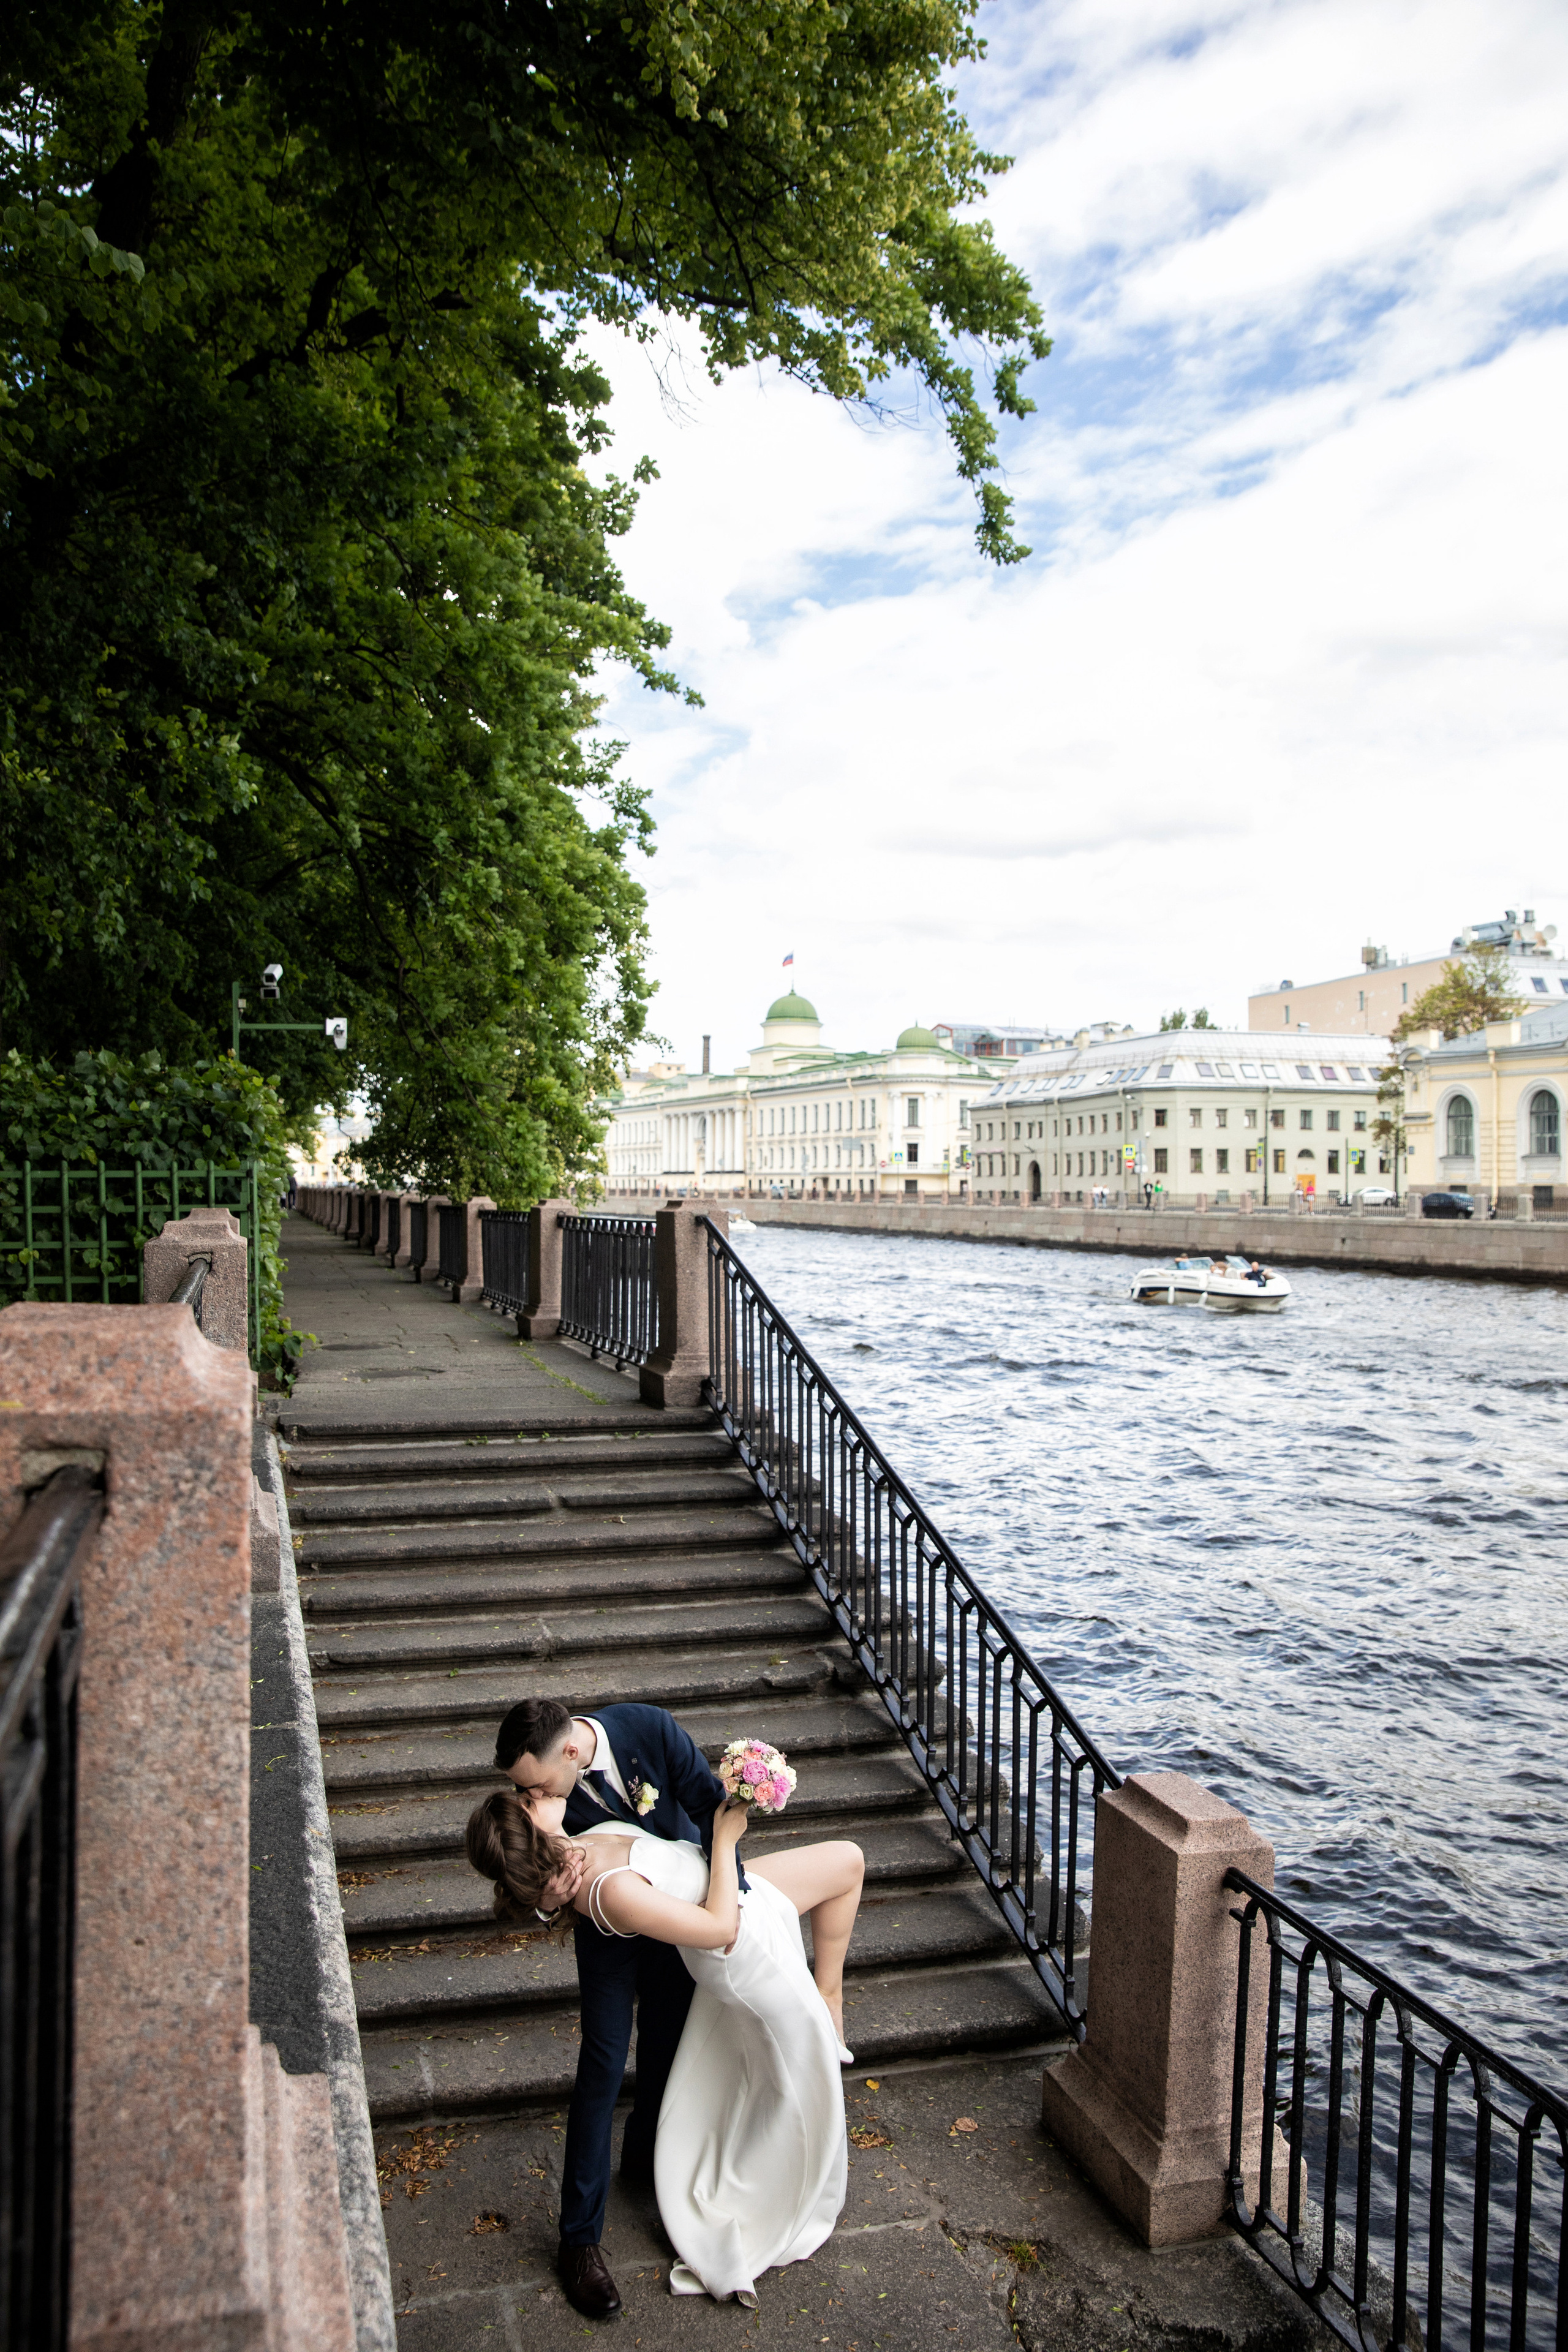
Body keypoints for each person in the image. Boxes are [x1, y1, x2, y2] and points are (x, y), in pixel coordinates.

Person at [486, 1698, 862, 2318]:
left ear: (573, 1754)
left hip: (686, 1912)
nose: (528, 1796)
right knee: (603, 2065)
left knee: (668, 2047)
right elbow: (525, 1858)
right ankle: (579, 2241)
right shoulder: (543, 1797)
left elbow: (707, 1809)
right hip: (609, 1919)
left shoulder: (647, 1729)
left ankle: (651, 2167)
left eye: (533, 1784)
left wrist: (737, 1908)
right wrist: (547, 1904)